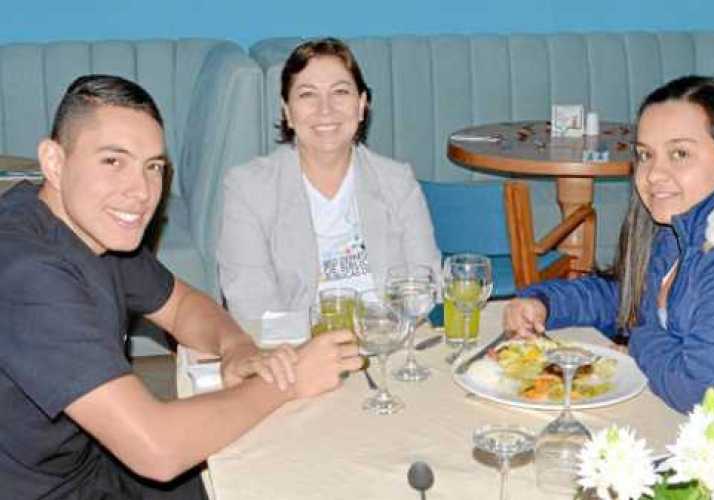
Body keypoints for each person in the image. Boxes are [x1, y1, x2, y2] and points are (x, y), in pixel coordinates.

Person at [0, 74, 362, 499]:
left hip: (97, 464)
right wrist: (290, 381)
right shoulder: (27, 271)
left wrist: (237, 348)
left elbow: (181, 306)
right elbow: (157, 449)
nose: (140, 192)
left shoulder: (94, 229)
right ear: (54, 163)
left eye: (153, 167)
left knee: (282, 468)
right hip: (49, 492)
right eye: (113, 161)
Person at [503, 75, 714, 486]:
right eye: (645, 155)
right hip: (706, 450)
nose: (654, 174)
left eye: (679, 153)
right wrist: (546, 302)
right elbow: (629, 297)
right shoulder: (691, 227)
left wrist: (639, 339)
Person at [217, 37, 440, 322]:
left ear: (361, 106)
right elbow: (252, 307)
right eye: (307, 94)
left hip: (387, 339)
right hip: (297, 350)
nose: (326, 109)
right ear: (288, 112)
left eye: (340, 92)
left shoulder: (397, 181)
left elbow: (424, 284)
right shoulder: (248, 189)